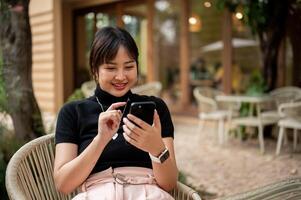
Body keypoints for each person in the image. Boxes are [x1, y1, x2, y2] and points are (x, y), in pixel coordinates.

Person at [53, 27, 178, 200]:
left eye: (128, 67)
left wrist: (156, 149)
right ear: (95, 69)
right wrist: (100, 140)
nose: (121, 76)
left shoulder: (156, 108)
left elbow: (169, 183)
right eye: (111, 68)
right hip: (98, 194)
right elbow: (63, 184)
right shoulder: (73, 112)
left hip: (149, 193)